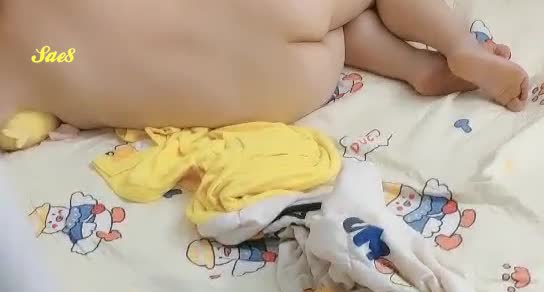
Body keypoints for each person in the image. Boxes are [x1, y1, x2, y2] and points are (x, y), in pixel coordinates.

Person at [1, 0, 528, 134]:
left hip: (275, 91)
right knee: (335, 12)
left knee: (334, 27)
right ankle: (456, 45)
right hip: (273, 17)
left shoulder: (17, 72)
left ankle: (417, 69)